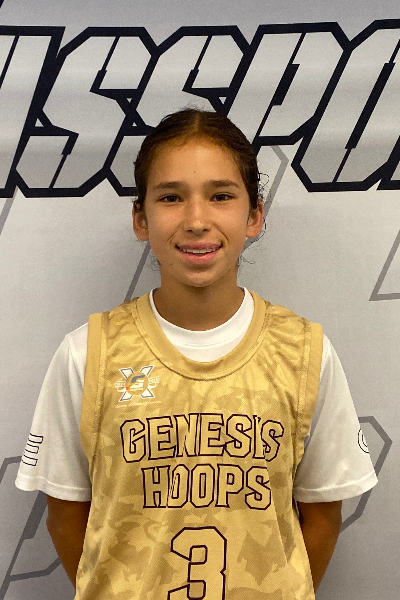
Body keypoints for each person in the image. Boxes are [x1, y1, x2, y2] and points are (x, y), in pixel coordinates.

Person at [15, 109, 378, 600]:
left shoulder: (304, 352)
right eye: (171, 197)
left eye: (221, 196)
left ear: (254, 215)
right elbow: (65, 514)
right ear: (141, 218)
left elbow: (322, 514)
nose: (196, 221)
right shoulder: (88, 353)